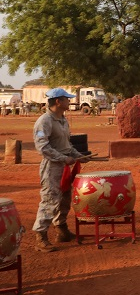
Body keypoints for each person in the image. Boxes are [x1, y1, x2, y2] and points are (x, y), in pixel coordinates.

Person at [31, 87, 82, 252]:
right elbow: (42, 147)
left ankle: (61, 230)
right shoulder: (44, 121)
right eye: (67, 99)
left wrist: (78, 155)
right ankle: (41, 236)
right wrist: (62, 158)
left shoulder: (63, 120)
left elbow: (67, 146)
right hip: (52, 167)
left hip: (65, 166)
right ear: (58, 101)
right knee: (50, 200)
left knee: (65, 198)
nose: (70, 101)